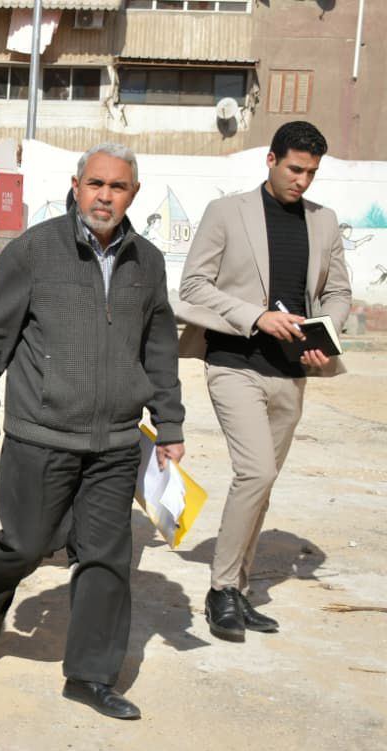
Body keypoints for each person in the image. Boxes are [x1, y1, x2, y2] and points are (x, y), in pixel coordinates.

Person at [0, 142, 185, 722]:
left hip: (116, 443)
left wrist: (169, 424)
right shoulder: (34, 251)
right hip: (41, 434)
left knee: (108, 557)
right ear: (76, 185)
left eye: (118, 187)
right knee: (27, 542)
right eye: (96, 184)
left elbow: (159, 349)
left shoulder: (148, 262)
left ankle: (90, 675)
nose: (105, 196)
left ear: (134, 194)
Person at [177, 121, 352, 641]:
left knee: (264, 482)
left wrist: (326, 332)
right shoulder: (226, 212)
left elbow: (338, 292)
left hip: (292, 370)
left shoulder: (324, 221)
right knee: (255, 472)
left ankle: (239, 587)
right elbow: (193, 286)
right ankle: (221, 589)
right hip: (234, 361)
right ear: (271, 160)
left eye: (311, 173)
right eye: (295, 169)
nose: (303, 180)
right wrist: (255, 316)